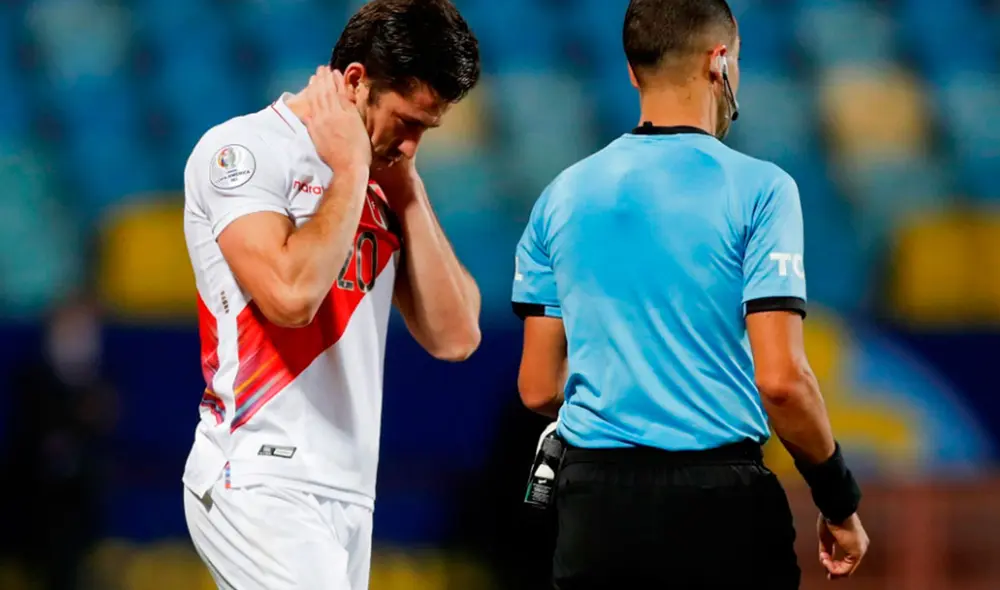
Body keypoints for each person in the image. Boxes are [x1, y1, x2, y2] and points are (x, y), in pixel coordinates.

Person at [511, 0, 869, 588]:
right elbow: (781, 380)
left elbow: (538, 387)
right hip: (720, 508)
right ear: (720, 62)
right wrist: (839, 501)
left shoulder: (560, 196)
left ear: (632, 71)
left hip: (596, 512)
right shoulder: (763, 190)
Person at [180, 1, 482, 588]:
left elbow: (456, 336)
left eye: (428, 129)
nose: (413, 144)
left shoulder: (386, 176)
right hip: (258, 476)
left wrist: (407, 189)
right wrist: (350, 170)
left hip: (349, 492)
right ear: (354, 81)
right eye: (408, 121)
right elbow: (291, 297)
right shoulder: (244, 150)